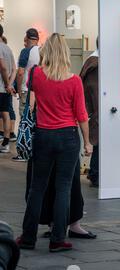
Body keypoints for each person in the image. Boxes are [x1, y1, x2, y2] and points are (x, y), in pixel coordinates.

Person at [15, 33, 92, 253]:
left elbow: (32, 98)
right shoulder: (74, 81)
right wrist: (87, 142)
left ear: (46, 52)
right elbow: (81, 115)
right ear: (66, 52)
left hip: (43, 135)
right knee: (63, 189)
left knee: (37, 188)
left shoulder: (37, 74)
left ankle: (28, 237)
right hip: (68, 137)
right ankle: (58, 239)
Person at [12, 28, 40, 161]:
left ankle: (23, 152)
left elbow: (21, 72)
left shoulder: (25, 51)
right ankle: (34, 149)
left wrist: (17, 88)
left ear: (28, 38)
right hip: (39, 91)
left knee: (24, 120)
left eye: (25, 39)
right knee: (35, 121)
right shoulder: (42, 51)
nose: (24, 42)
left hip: (26, 90)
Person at [80, 37, 99, 187]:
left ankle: (95, 172)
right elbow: (95, 92)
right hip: (96, 111)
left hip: (92, 111)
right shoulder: (96, 66)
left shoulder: (91, 63)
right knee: (98, 142)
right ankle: (96, 173)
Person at [0, 25, 16, 154]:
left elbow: (3, 68)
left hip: (1, 87)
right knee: (5, 114)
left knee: (4, 114)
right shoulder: (8, 48)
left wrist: (6, 84)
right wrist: (10, 84)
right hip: (5, 89)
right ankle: (6, 142)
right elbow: (14, 69)